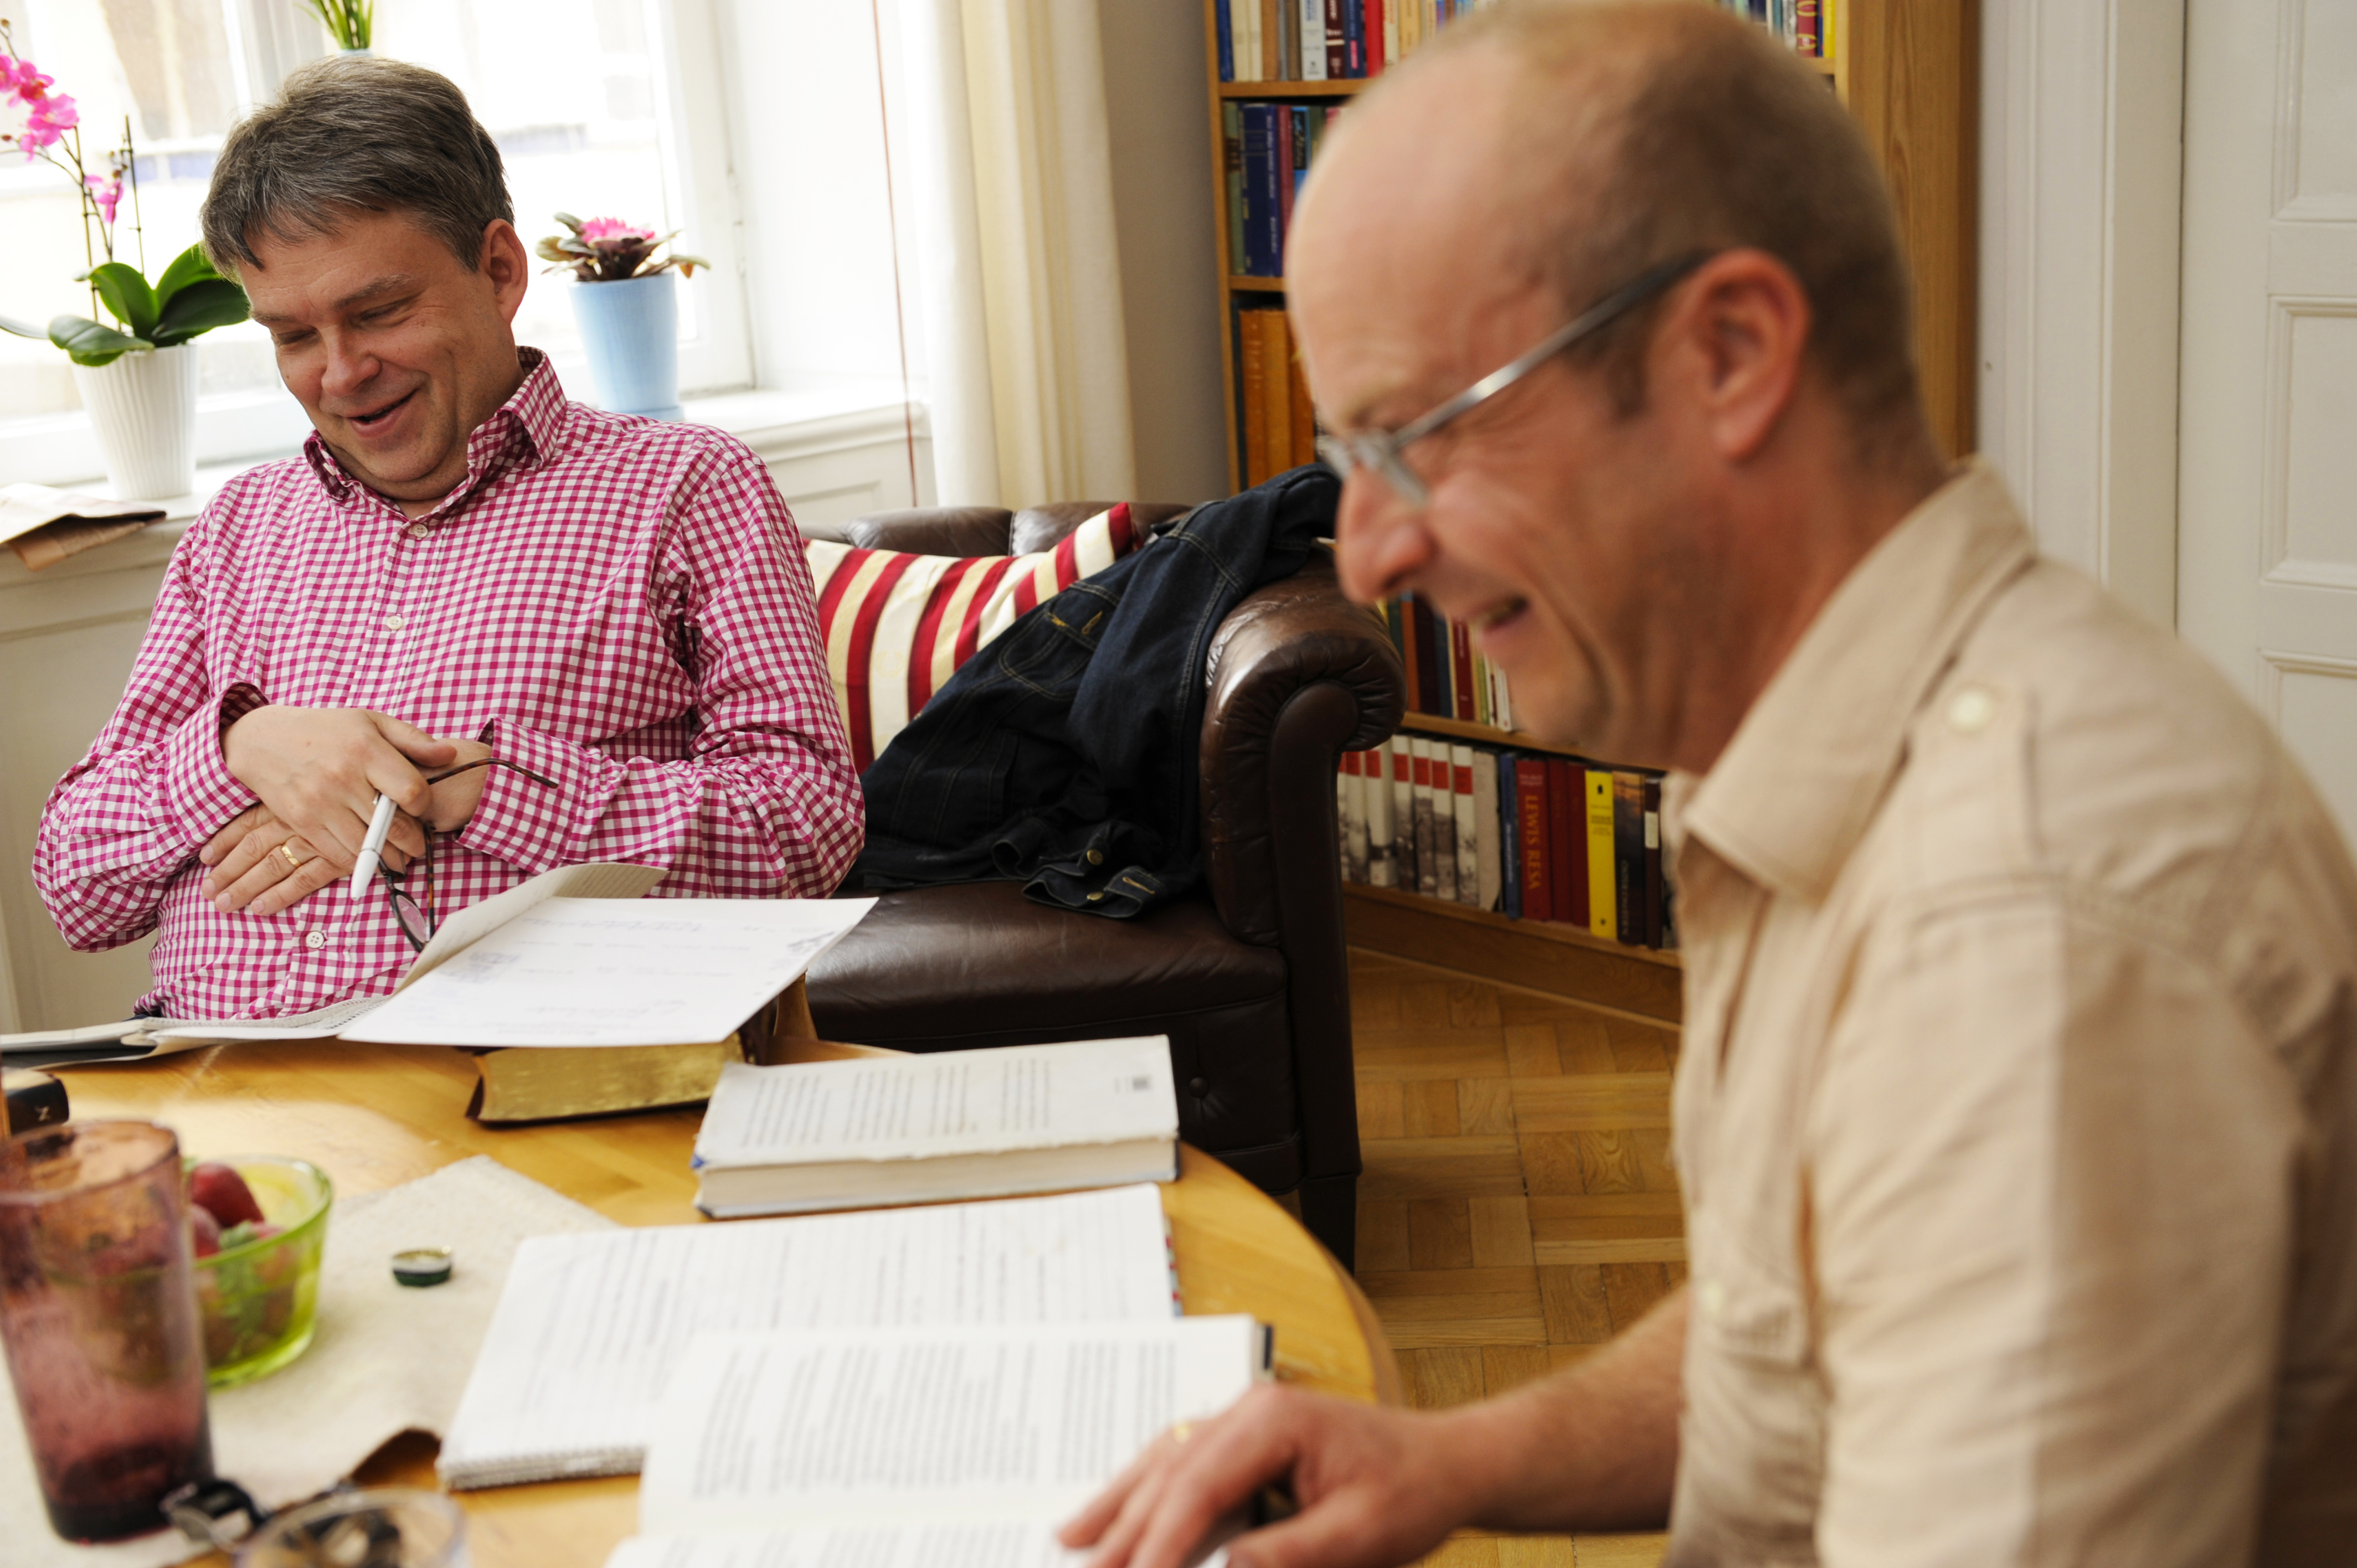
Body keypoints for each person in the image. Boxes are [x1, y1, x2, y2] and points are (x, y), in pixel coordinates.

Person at [1065, 6, 2357, 1567]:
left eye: (1420, 438)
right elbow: (1798, 1346)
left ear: (1730, 356)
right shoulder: (1822, 765)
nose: (1374, 552)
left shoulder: (2020, 924)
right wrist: (1444, 1460)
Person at [33, 57, 862, 1022]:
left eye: (378, 312)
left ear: (499, 271)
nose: (341, 373)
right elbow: (76, 887)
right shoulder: (237, 530)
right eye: (293, 337)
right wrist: (241, 752)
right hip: (210, 1081)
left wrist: (477, 788)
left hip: (516, 1084)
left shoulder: (685, 488)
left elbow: (806, 829)